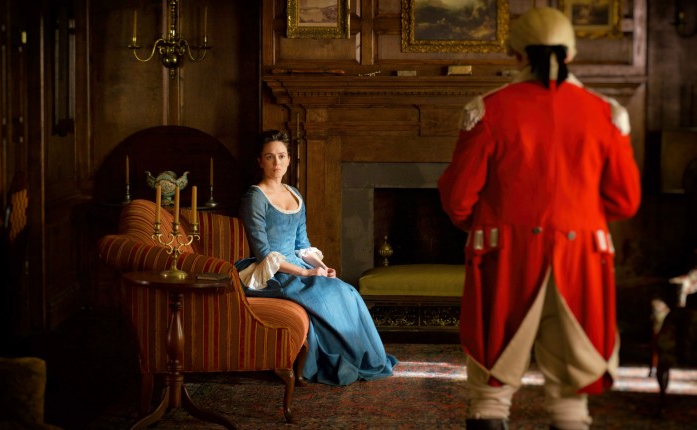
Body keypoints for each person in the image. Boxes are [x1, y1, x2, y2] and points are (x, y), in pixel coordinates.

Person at [437, 7, 641, 430]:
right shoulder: (606, 113)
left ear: (516, 54)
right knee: (571, 390)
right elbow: (625, 202)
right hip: (582, 260)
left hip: (504, 256)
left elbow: (458, 199)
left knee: (490, 388)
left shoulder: (487, 110)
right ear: (571, 53)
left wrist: (487, 221)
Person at [234, 129, 397, 386]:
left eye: (281, 156)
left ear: (289, 159)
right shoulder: (255, 198)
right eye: (269, 157)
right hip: (273, 273)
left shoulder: (295, 194)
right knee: (325, 296)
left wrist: (322, 267)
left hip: (297, 265)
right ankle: (334, 361)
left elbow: (302, 245)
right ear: (260, 161)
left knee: (345, 290)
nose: (276, 163)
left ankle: (363, 358)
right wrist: (307, 273)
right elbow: (264, 254)